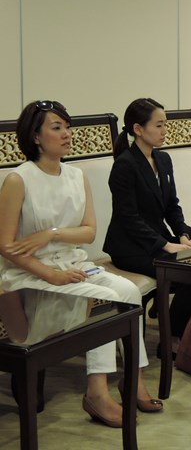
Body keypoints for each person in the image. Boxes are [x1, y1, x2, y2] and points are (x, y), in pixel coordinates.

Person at [0, 100, 161, 428]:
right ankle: (97, 392)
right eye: (56, 127)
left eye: (67, 127)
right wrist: (48, 273)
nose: (67, 134)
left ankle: (133, 379)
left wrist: (51, 234)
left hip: (73, 262)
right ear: (35, 136)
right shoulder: (19, 180)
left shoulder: (76, 175)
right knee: (99, 304)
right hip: (28, 269)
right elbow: (5, 246)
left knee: (128, 291)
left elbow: (88, 233)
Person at [103, 98, 191, 340]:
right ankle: (174, 338)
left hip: (155, 237)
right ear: (138, 129)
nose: (165, 131)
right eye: (159, 125)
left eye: (165, 124)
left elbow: (172, 205)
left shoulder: (162, 159)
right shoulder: (125, 165)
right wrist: (165, 244)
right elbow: (129, 218)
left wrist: (183, 234)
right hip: (130, 246)